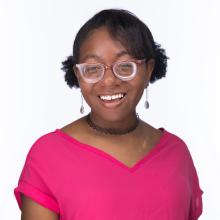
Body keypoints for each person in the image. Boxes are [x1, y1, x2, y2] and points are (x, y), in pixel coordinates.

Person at [14, 9, 203, 220]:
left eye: (124, 66)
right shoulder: (48, 156)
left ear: (148, 69)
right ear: (78, 74)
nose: (109, 81)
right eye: (93, 68)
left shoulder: (177, 154)